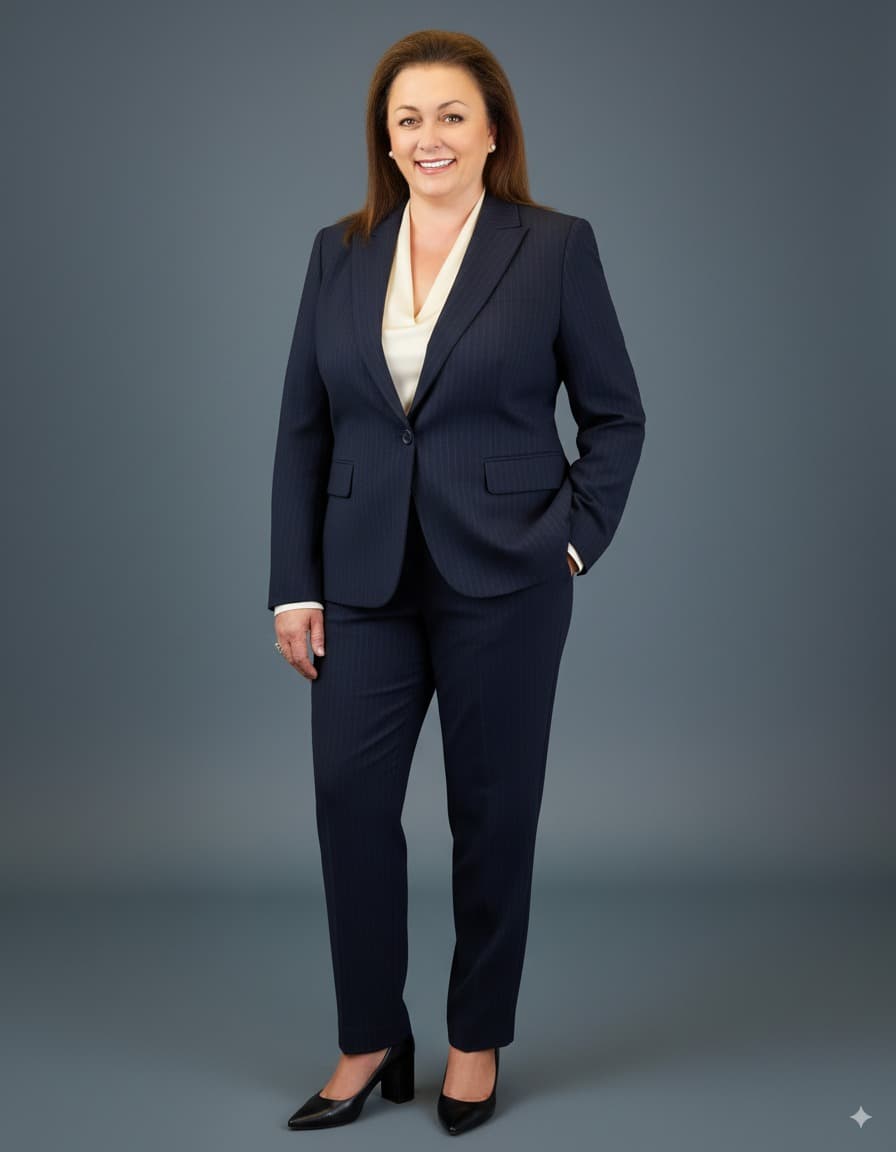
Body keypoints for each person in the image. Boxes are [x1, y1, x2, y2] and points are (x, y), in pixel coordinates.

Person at [268, 28, 645, 1135]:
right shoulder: (337, 252)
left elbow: (615, 414)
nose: (425, 137)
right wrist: (294, 586)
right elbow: (302, 430)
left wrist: (570, 541)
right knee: (348, 806)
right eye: (404, 119)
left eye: (447, 116)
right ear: (383, 142)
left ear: (491, 131)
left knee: (490, 816)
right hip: (360, 581)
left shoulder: (554, 247)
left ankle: (474, 1039)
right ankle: (369, 1034)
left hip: (507, 580)